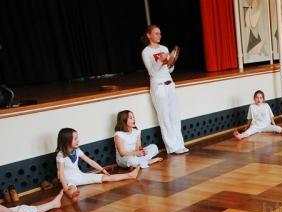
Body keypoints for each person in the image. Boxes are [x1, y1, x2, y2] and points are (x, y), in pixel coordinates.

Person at [56, 128, 139, 202]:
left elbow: (90, 161)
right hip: (68, 180)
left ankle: (130, 175)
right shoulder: (61, 155)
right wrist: (66, 188)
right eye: (75, 139)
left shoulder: (77, 150)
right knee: (72, 189)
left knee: (106, 177)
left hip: (80, 176)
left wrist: (102, 170)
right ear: (67, 141)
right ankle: (72, 195)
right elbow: (61, 173)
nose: (78, 140)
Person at [141, 25, 188, 155]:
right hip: (158, 86)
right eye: (156, 33)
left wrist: (171, 63)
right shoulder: (146, 52)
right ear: (149, 35)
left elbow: (169, 69)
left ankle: (180, 144)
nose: (159, 36)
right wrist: (160, 61)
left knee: (175, 116)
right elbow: (152, 72)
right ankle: (172, 147)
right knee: (165, 118)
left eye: (160, 33)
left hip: (169, 84)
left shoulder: (164, 48)